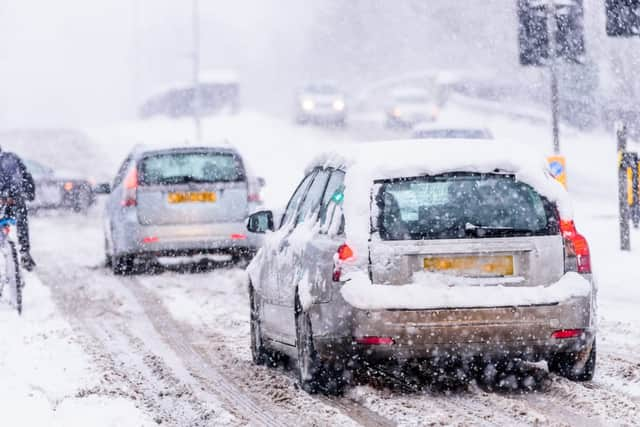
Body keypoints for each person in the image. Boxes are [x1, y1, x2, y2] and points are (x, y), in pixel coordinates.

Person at [0, 147, 36, 271]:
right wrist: (29, 194)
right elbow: (27, 177)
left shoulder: (10, 159)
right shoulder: (11, 158)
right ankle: (24, 250)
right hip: (14, 202)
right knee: (21, 216)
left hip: (8, 202)